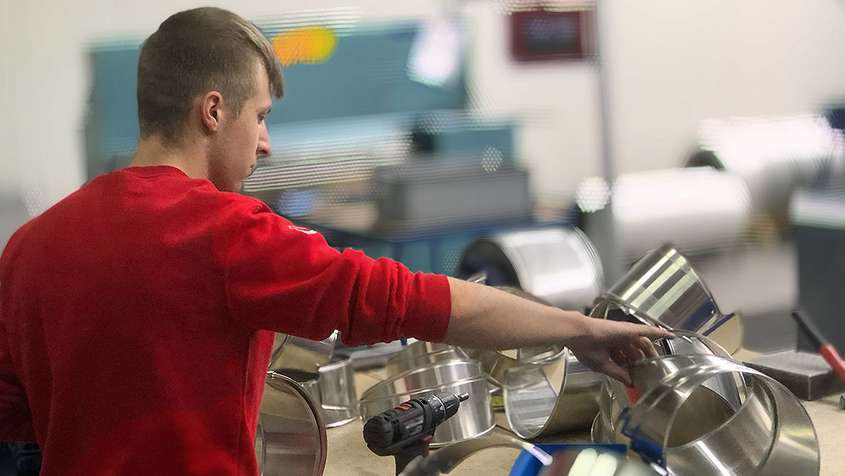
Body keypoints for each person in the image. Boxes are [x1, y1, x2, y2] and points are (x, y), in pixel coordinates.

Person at [0, 7, 669, 476]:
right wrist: (572, 328)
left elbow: (15, 425)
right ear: (212, 111)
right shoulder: (226, 233)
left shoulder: (29, 247)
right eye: (259, 116)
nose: (265, 142)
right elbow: (407, 300)